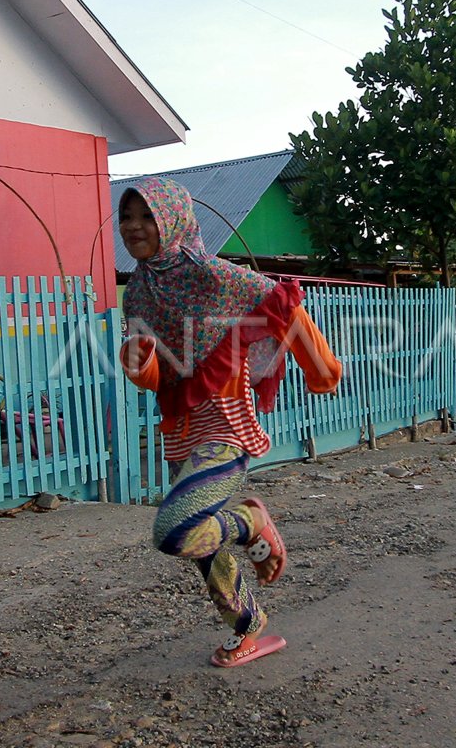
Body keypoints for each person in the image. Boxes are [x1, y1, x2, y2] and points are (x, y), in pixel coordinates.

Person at [118, 177, 342, 668]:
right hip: (181, 429)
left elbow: (282, 307)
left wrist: (322, 369)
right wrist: (139, 363)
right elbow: (155, 376)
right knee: (201, 543)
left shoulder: (218, 276)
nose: (134, 227)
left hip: (225, 422)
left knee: (174, 530)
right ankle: (249, 627)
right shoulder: (137, 292)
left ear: (172, 219)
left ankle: (251, 520)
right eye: (127, 216)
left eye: (147, 216)